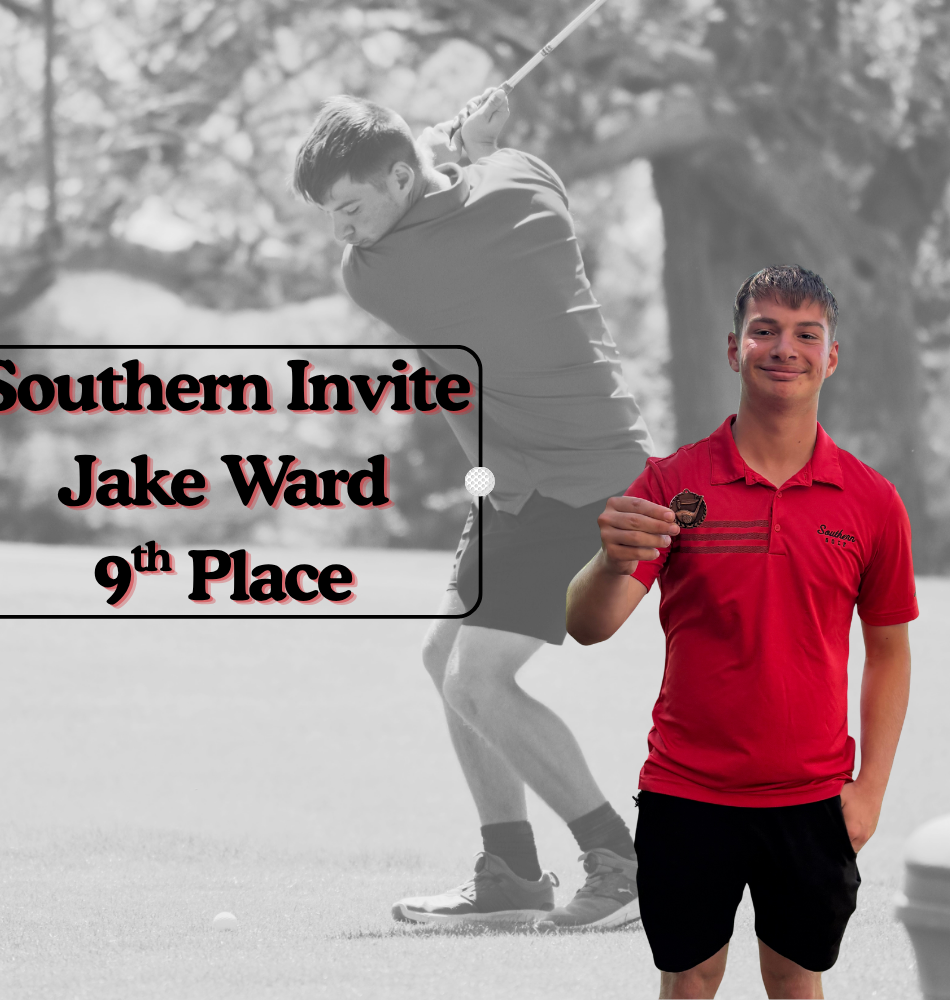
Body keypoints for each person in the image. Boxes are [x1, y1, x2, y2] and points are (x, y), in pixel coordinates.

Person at [292, 88, 653, 927]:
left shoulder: (379, 275)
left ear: (393, 177)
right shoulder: (527, 180)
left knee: (479, 679)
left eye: (350, 207)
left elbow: (426, 209)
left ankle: (621, 864)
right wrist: (456, 152)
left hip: (581, 481)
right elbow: (472, 178)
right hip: (529, 475)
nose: (341, 231)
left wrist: (445, 144)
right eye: (330, 216)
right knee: (442, 659)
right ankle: (511, 876)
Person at [567, 265, 917, 997]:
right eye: (764, 330)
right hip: (688, 793)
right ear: (734, 350)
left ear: (831, 356)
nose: (783, 348)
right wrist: (607, 561)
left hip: (814, 800)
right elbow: (589, 624)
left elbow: (889, 652)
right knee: (690, 975)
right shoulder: (670, 484)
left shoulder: (872, 501)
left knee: (795, 977)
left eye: (805, 334)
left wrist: (871, 791)